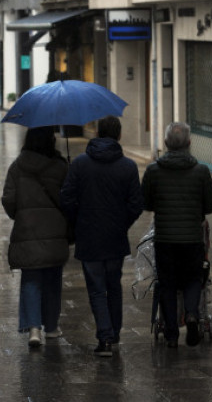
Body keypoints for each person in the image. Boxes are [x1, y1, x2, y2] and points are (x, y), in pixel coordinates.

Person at [60, 116, 143, 357]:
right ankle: (113, 332)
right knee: (113, 285)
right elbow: (136, 204)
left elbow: (66, 198)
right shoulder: (127, 166)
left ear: (96, 133)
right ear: (118, 136)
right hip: (115, 237)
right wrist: (122, 223)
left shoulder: (80, 164)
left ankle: (105, 336)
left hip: (89, 236)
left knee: (97, 289)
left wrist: (80, 220)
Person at [141, 122, 212, 348]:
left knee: (167, 283)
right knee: (193, 279)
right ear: (189, 143)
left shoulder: (153, 171)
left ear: (166, 143)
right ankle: (192, 314)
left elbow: (144, 202)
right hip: (192, 239)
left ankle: (172, 335)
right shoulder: (201, 171)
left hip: (165, 238)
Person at [1, 127, 69, 348]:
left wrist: (20, 214)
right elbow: (69, 199)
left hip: (27, 230)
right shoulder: (60, 167)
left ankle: (33, 329)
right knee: (52, 279)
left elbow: (8, 200)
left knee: (31, 279)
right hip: (55, 231)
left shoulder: (17, 167)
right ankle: (51, 327)